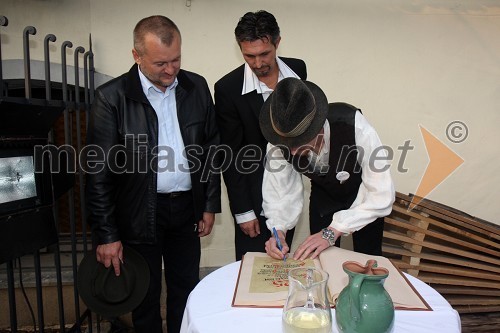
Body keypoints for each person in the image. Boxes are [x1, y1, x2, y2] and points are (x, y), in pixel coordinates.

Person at [85, 15, 220, 333]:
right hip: (138, 213)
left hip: (187, 208)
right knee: (143, 297)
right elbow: (98, 173)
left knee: (186, 290)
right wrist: (107, 234)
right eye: (161, 63)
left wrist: (209, 203)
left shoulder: (196, 86)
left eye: (176, 59)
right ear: (136, 56)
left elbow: (212, 147)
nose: (171, 70)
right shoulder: (111, 97)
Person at [259, 78, 395, 261]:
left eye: (297, 142)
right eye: (286, 143)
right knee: (321, 262)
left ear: (317, 128)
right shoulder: (278, 143)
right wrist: (278, 232)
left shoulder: (354, 126)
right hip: (323, 199)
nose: (291, 151)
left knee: (369, 260)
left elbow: (381, 193)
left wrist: (333, 232)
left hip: (364, 196)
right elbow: (279, 193)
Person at [214, 10, 306, 260]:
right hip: (253, 196)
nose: (257, 64)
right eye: (249, 56)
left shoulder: (298, 70)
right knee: (253, 270)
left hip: (289, 191)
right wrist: (243, 211)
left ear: (277, 42)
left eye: (264, 54)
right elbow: (230, 155)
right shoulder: (227, 89)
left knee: (283, 260)